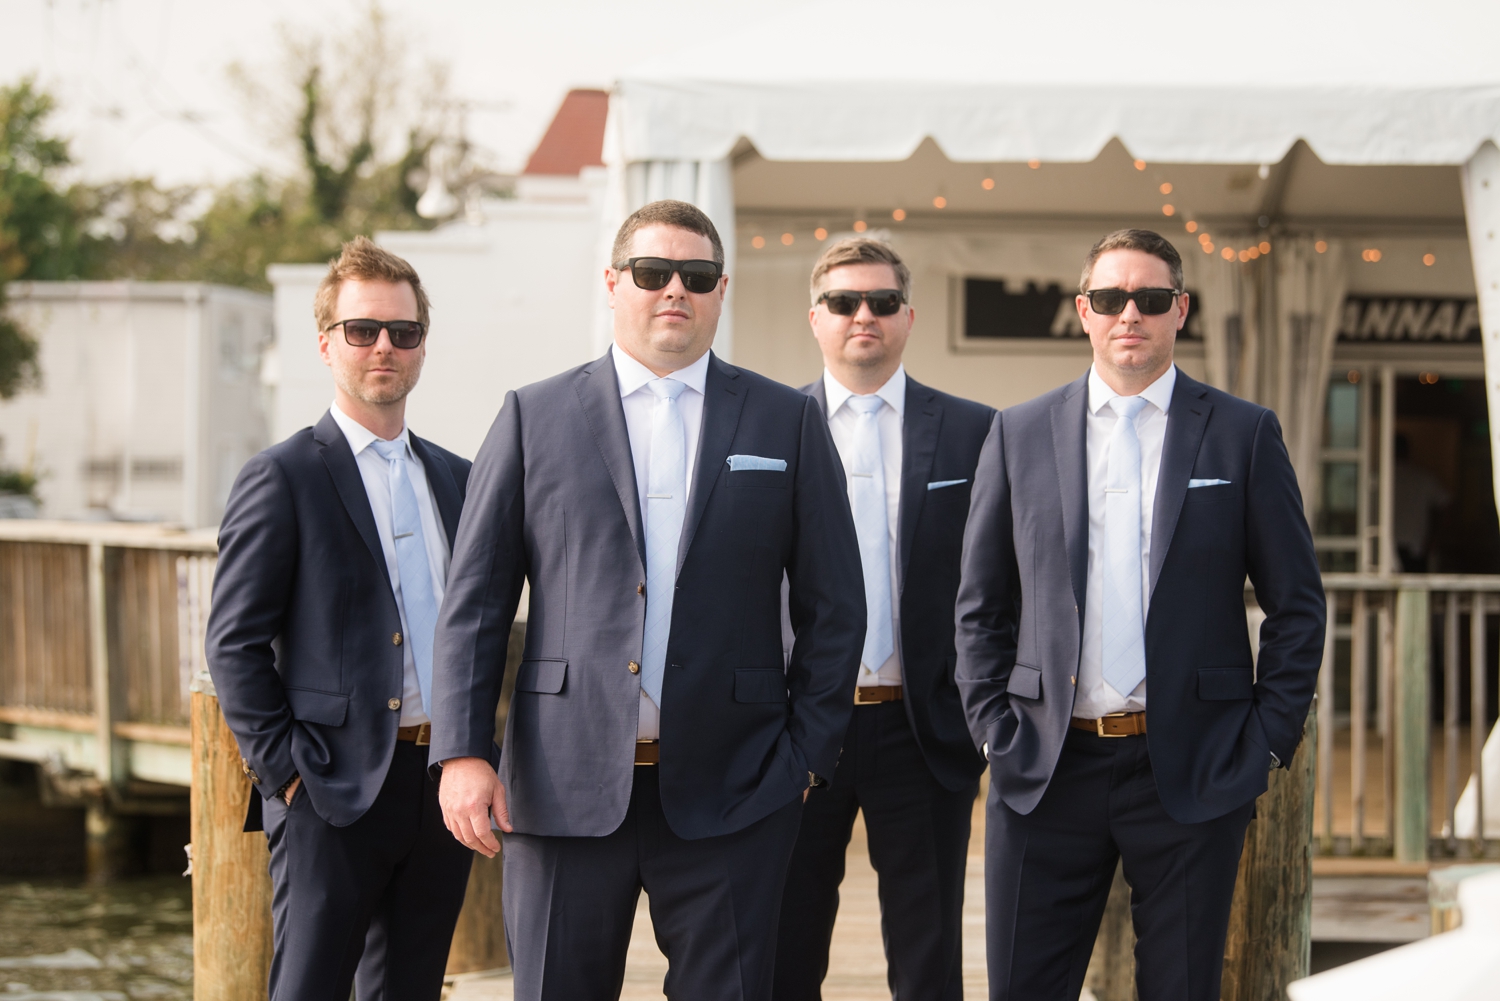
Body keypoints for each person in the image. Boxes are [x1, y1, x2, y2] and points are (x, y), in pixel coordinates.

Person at [428, 199, 866, 1001]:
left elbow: (836, 605)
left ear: (720, 290)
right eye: (653, 272)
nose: (675, 290)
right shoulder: (534, 414)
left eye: (696, 276)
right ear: (613, 283)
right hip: (561, 787)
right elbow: (476, 600)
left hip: (737, 788)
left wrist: (805, 754)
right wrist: (462, 750)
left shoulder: (787, 419)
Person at [955, 229, 1325, 1001]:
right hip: (1045, 766)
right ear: (1083, 311)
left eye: (1151, 299)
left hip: (1193, 766)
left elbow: (1297, 604)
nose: (1132, 314)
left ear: (1179, 310)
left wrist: (1264, 741)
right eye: (1112, 298)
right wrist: (995, 725)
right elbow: (981, 605)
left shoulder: (1242, 432)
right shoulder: (1017, 432)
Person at [206, 237, 473, 1001]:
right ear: (327, 343)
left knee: (410, 988)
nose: (384, 346)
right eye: (362, 330)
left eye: (403, 331)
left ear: (422, 345)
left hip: (439, 788)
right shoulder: (281, 476)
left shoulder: (457, 478)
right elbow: (233, 643)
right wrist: (286, 773)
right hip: (330, 789)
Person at [773, 238, 992, 1001]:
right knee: (784, 947)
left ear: (908, 316)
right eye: (843, 302)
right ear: (815, 317)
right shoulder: (766, 426)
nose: (862, 315)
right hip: (797, 729)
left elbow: (1001, 580)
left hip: (923, 726)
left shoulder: (975, 431)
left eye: (881, 302)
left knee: (929, 958)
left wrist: (986, 710)